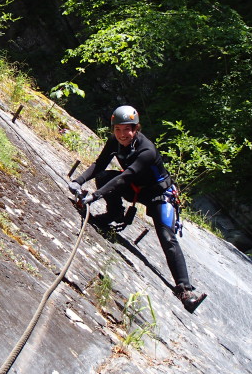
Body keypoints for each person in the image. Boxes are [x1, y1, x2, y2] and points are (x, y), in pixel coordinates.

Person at [68, 105, 207, 313]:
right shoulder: (114, 142)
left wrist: (95, 196)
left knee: (167, 237)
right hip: (136, 188)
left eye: (127, 130)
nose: (122, 135)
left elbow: (126, 176)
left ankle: (185, 291)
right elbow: (100, 164)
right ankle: (113, 215)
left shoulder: (147, 150)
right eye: (118, 130)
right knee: (104, 177)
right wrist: (78, 181)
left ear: (136, 128)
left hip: (160, 196)